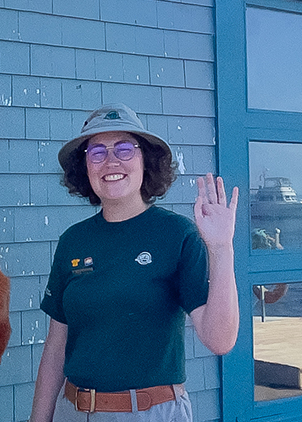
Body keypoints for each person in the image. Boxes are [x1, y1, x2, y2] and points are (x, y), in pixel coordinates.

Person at [31, 103, 240, 422]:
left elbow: (220, 339)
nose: (111, 161)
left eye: (125, 149)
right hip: (71, 411)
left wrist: (222, 249)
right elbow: (56, 347)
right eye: (97, 151)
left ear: (146, 161)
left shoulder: (176, 235)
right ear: (85, 166)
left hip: (149, 413)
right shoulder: (73, 240)